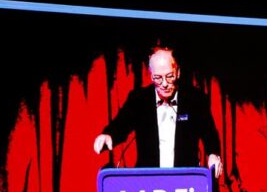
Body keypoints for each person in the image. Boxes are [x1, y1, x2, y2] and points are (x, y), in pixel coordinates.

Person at [93, 46, 222, 178]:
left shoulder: (195, 99)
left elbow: (209, 133)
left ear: (178, 72)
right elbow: (121, 124)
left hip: (185, 178)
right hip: (149, 180)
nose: (164, 84)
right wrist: (108, 135)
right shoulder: (139, 99)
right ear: (151, 76)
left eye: (170, 76)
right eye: (158, 78)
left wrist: (213, 154)